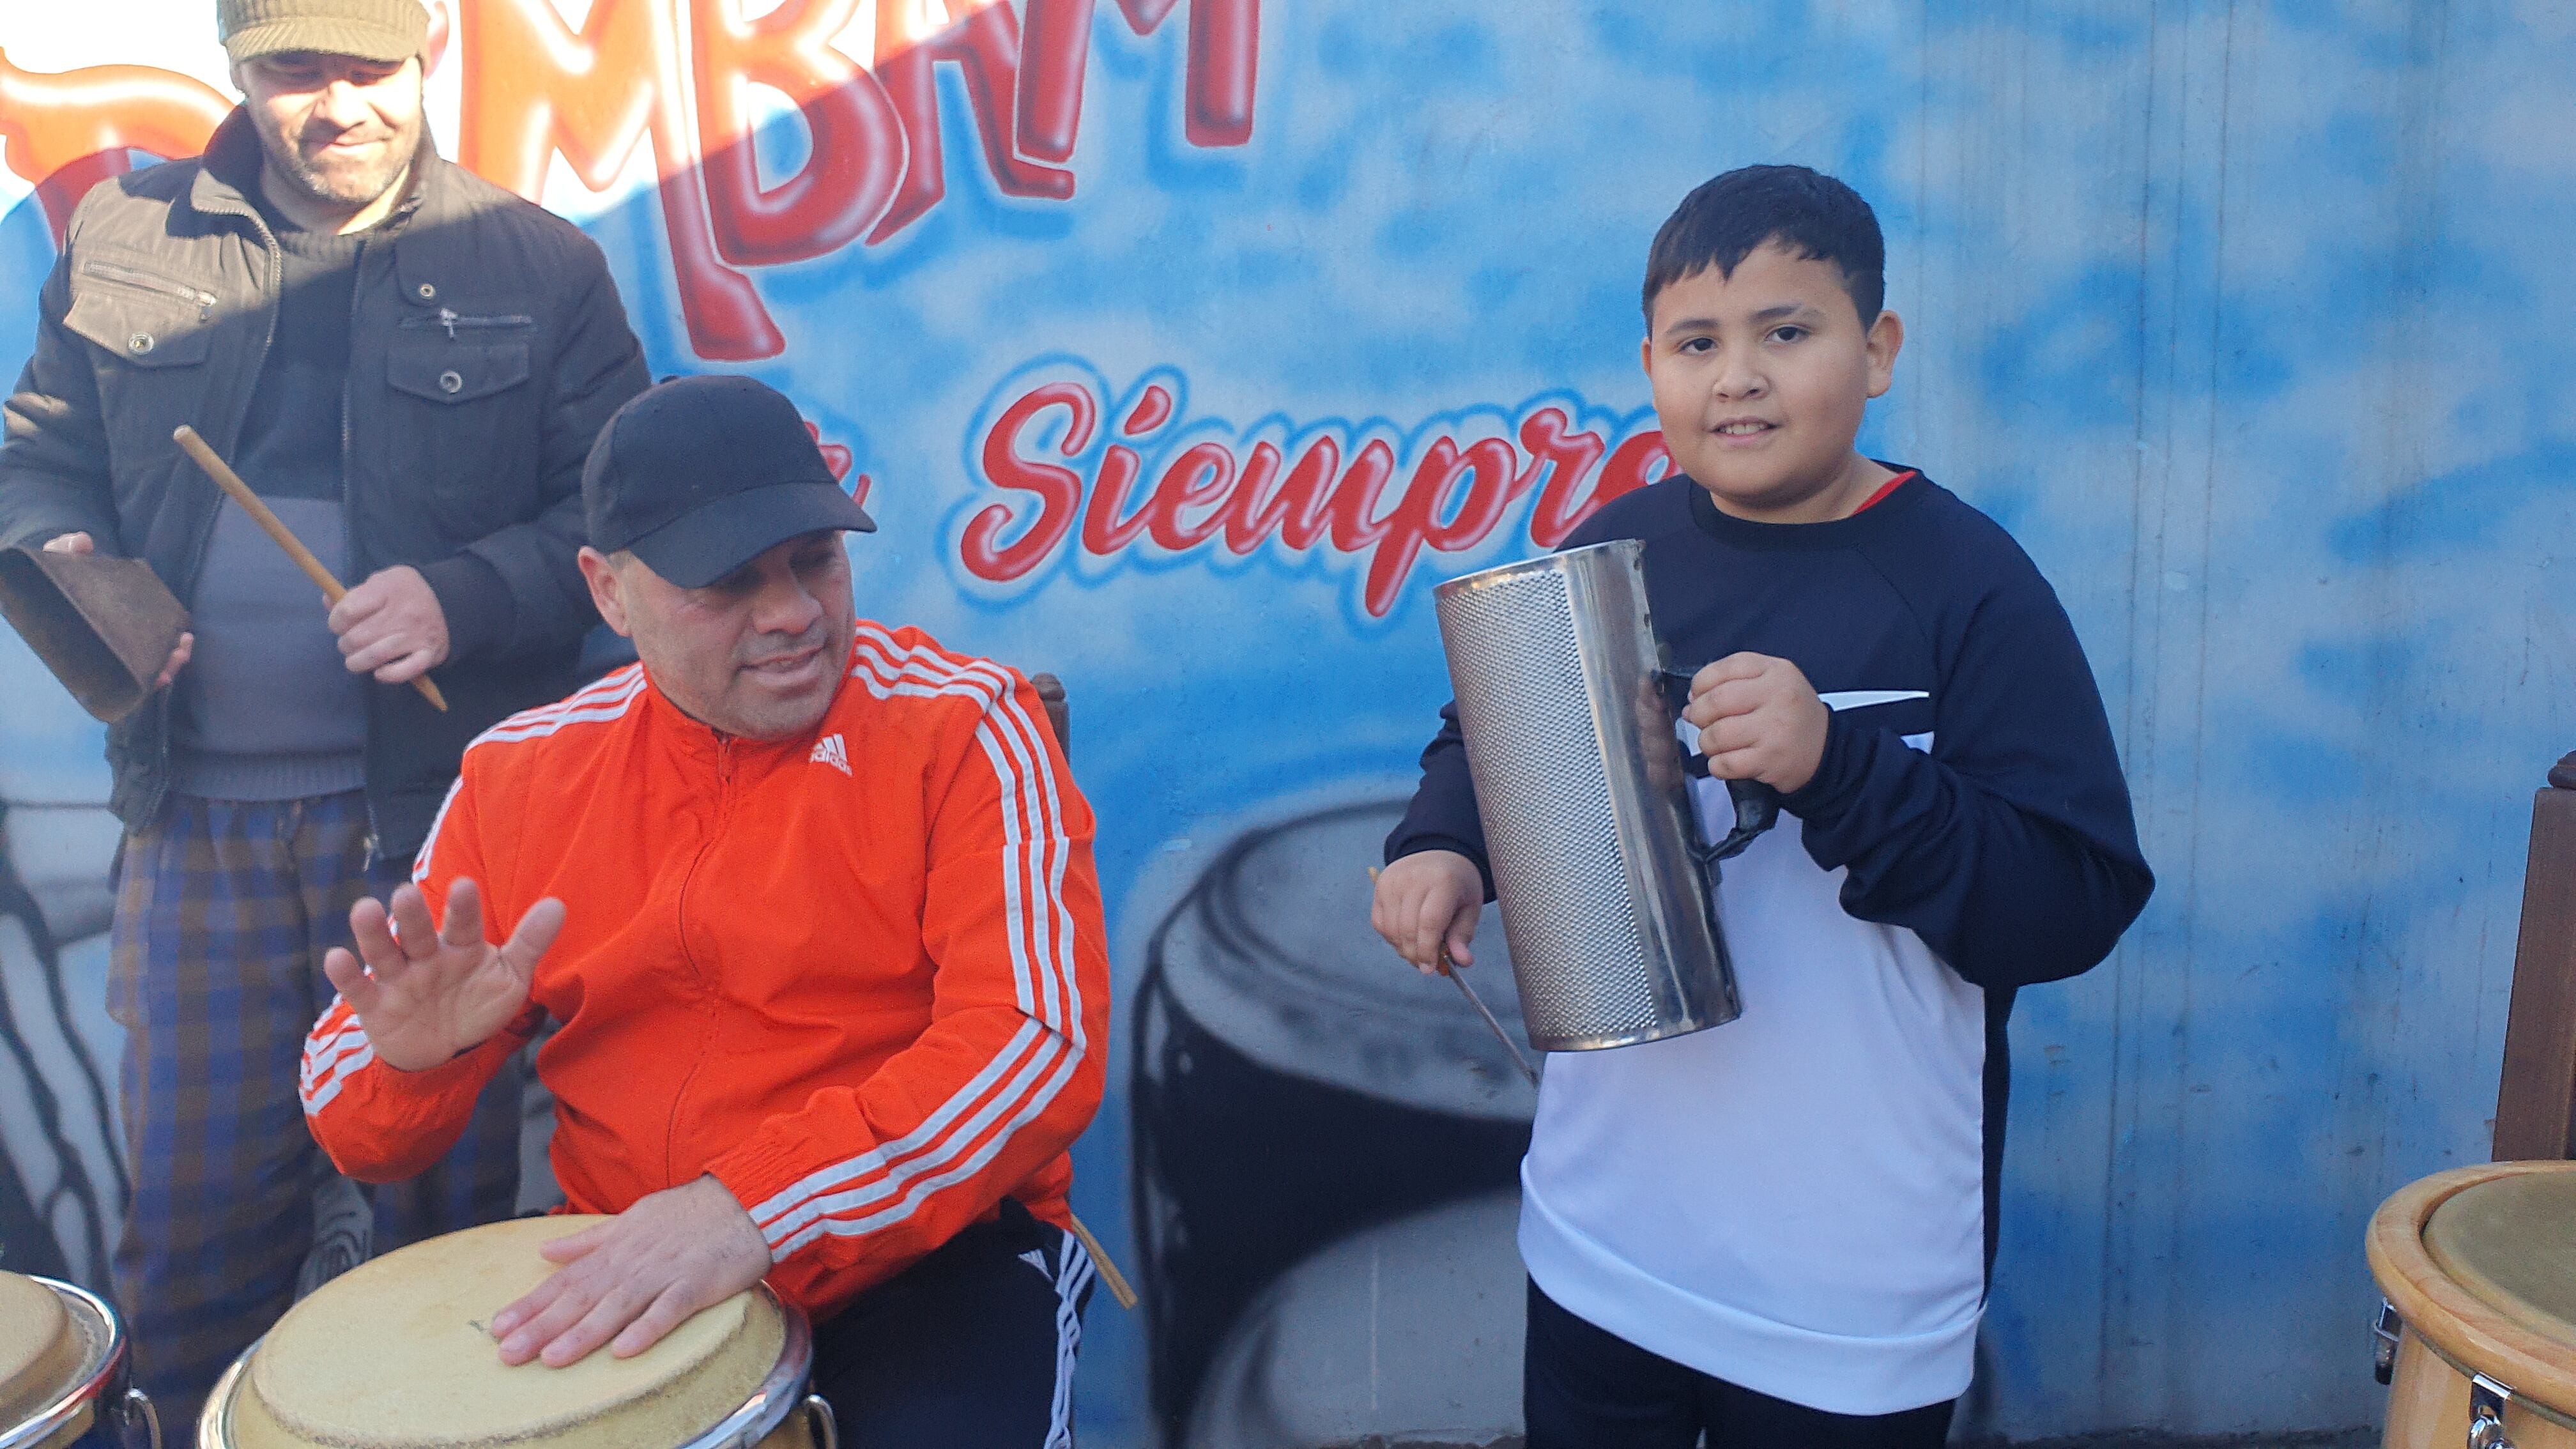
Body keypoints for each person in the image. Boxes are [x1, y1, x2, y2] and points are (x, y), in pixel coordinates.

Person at [1370, 165, 2155, 1446]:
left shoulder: (1967, 585)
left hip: (1849, 1283)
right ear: (1651, 367)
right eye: (1698, 343)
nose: (1738, 376)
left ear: (1879, 348)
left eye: (1787, 332)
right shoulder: (1614, 546)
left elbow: (2069, 905)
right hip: (1602, 1231)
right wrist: (1446, 845)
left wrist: (1838, 764)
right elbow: (1493, 732)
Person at [0, 0, 650, 1423]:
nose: (339, 104)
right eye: (298, 70)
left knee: (448, 1238)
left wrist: (460, 598)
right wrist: (66, 565)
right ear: (237, 71)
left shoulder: (541, 266)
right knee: (195, 1236)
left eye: (371, 68)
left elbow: (619, 527)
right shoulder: (123, 237)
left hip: (441, 827)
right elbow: (34, 458)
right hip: (197, 831)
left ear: (425, 62)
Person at [297, 374, 1110, 1447]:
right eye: (727, 582)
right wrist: (410, 1062)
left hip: (928, 1261)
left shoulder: (965, 727)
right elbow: (353, 1117)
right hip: (632, 1260)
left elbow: (1032, 1051)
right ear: (608, 591)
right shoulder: (519, 776)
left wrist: (753, 1208)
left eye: (814, 559)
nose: (790, 614)